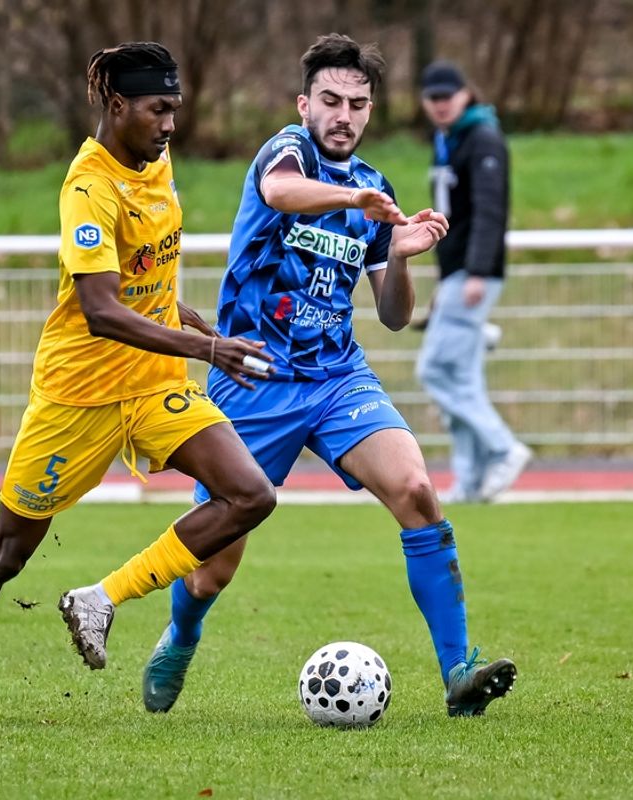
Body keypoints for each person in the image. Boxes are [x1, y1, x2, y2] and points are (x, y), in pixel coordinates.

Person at [0, 42, 277, 726]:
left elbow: (145, 275)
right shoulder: (88, 188)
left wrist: (189, 319)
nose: (170, 124)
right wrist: (208, 348)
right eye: (158, 110)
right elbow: (101, 310)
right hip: (77, 397)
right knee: (4, 558)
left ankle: (100, 598)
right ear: (117, 105)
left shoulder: (157, 163)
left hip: (152, 384)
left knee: (250, 494)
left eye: (175, 109)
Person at [140, 34, 516, 719]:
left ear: (371, 110)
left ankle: (459, 673)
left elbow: (395, 316)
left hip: (337, 377)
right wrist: (354, 200)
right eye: (332, 101)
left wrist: (400, 254)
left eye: (358, 104)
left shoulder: (375, 188)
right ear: (304, 104)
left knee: (416, 491)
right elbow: (280, 191)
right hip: (253, 377)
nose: (344, 115)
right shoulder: (286, 153)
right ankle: (182, 636)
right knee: (213, 567)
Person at [415, 60, 531, 503]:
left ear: (465, 94)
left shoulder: (482, 137)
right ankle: (470, 479)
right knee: (461, 378)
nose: (440, 105)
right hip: (457, 273)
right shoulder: (448, 138)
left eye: (447, 96)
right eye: (433, 98)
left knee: (434, 370)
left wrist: (477, 271)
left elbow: (490, 209)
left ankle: (503, 448)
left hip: (473, 273)